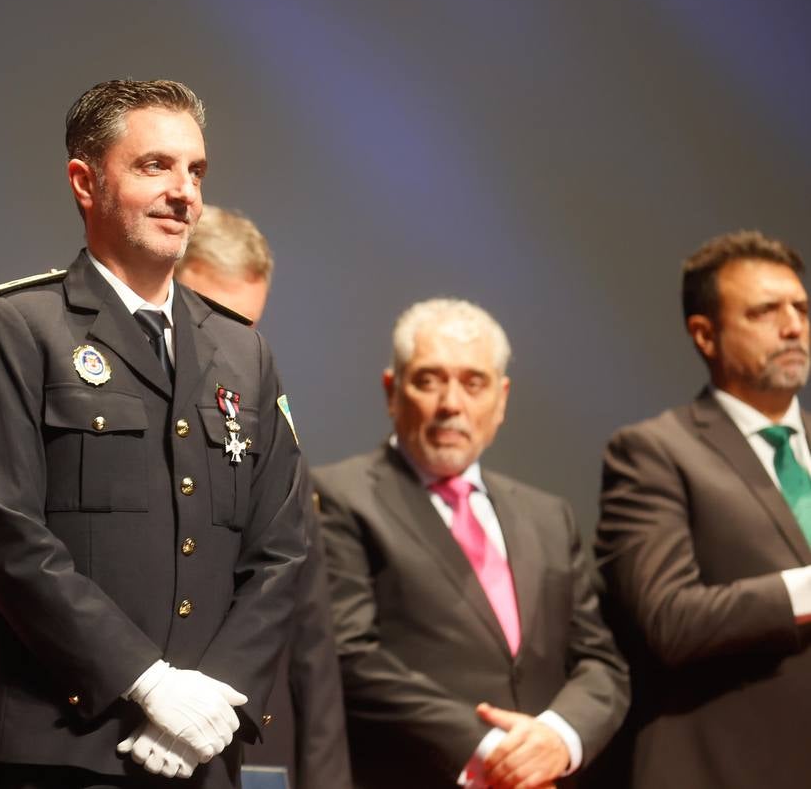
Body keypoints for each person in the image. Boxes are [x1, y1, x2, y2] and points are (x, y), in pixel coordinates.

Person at [0, 79, 305, 787]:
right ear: (85, 181)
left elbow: (283, 550)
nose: (184, 192)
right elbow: (7, 537)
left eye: (195, 171)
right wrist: (146, 683)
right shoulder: (16, 328)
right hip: (60, 750)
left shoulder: (243, 352)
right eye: (155, 166)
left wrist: (219, 693)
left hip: (204, 750)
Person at [315, 298, 628, 789]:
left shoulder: (548, 516)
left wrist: (557, 736)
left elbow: (600, 661)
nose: (451, 404)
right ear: (392, 391)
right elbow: (348, 653)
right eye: (428, 380)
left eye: (473, 382)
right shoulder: (339, 496)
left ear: (501, 399)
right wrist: (489, 749)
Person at [595, 230, 811, 788]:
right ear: (705, 335)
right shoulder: (654, 452)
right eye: (765, 312)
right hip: (733, 767)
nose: (793, 327)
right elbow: (669, 620)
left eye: (801, 308)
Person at [174, 205, 349, 789]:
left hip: (256, 747)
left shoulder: (266, 421)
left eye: (246, 326)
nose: (229, 344)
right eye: (212, 315)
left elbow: (313, 642)